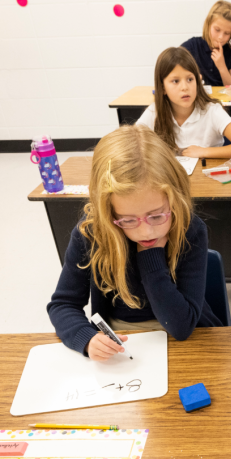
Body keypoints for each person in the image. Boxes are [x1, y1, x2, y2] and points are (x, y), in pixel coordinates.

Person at [47, 125, 221, 361]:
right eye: (128, 220)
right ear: (107, 210)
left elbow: (181, 327)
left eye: (157, 215)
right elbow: (62, 304)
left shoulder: (190, 230)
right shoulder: (91, 234)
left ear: (174, 199)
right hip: (122, 342)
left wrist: (150, 256)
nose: (145, 231)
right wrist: (85, 338)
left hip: (185, 335)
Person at [136, 47, 231, 160]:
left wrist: (204, 152)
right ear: (163, 88)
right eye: (175, 81)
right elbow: (130, 144)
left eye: (190, 79)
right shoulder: (154, 111)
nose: (185, 87)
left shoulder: (212, 111)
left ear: (198, 81)